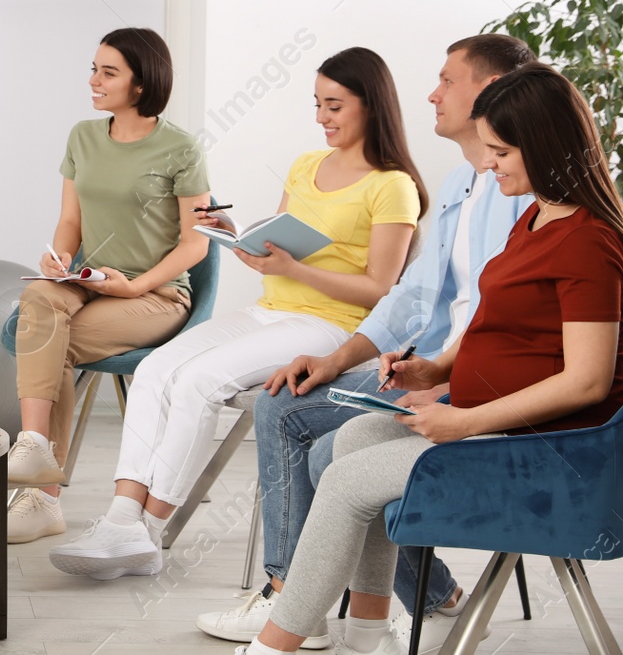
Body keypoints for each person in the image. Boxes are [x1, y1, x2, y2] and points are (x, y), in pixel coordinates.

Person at [240, 62, 623, 655]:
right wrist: (439, 370)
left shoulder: (590, 241)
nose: (488, 163)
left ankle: (272, 646)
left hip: (549, 452)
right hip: (501, 428)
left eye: (500, 151)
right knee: (356, 437)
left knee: (345, 480)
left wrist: (463, 419)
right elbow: (512, 332)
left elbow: (588, 381)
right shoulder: (538, 215)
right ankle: (368, 631)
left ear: (545, 145)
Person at [200, 34, 534, 651]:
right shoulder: (464, 184)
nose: (431, 94)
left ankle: (292, 599)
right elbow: (410, 296)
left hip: (471, 385)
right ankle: (402, 605)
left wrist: (446, 383)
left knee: (305, 426)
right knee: (295, 396)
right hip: (427, 368)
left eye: (446, 80)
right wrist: (337, 359)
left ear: (489, 91)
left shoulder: (524, 194)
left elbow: (511, 320)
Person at [49, 47, 425, 579]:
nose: (321, 117)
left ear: (372, 106)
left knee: (198, 380)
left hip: (332, 327)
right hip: (271, 310)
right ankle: (121, 517)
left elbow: (381, 290)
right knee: (157, 368)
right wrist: (238, 237)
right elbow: (282, 242)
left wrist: (293, 270)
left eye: (335, 106)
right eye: (317, 104)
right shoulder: (306, 165)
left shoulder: (393, 186)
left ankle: (147, 533)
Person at [0, 28, 214, 544]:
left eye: (107, 72)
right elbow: (70, 219)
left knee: (54, 340)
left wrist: (136, 288)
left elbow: (196, 245)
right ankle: (33, 445)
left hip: (156, 297)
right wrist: (60, 258)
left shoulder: (181, 149)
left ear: (142, 84)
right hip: (87, 281)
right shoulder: (83, 137)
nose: (93, 81)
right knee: (38, 296)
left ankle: (42, 496)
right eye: (93, 69)